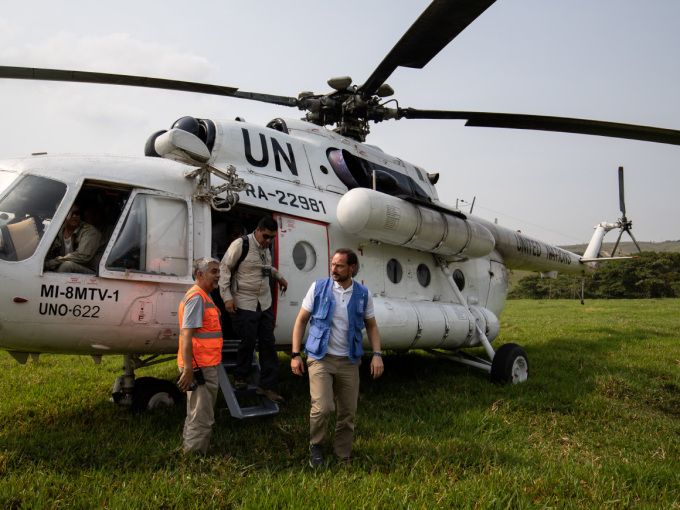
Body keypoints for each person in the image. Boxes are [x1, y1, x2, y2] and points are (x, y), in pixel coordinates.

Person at [291, 248, 384, 468]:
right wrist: (295, 354)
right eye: (332, 264)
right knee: (323, 407)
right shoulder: (319, 288)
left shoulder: (363, 294)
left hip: (349, 360)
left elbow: (372, 326)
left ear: (352, 268)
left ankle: (343, 454)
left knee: (347, 412)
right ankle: (316, 446)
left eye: (339, 265)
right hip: (320, 357)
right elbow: (301, 320)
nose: (334, 269)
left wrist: (377, 355)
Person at [219, 216, 288, 403]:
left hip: (264, 301)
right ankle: (240, 376)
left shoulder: (266, 249)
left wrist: (279, 276)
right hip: (244, 300)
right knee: (248, 340)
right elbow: (224, 269)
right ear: (258, 230)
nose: (268, 241)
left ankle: (267, 386)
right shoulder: (241, 245)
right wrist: (227, 298)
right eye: (265, 236)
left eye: (272, 238)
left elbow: (266, 268)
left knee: (268, 343)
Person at [177, 257, 223, 455]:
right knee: (201, 414)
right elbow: (187, 336)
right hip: (199, 366)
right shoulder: (197, 297)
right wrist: (189, 370)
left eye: (218, 271)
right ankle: (195, 456)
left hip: (204, 364)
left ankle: (191, 447)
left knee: (196, 410)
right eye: (213, 271)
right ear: (199, 275)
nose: (218, 275)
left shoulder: (204, 296)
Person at [45, 203, 102, 273]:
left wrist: (54, 262)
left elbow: (83, 256)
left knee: (67, 266)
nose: (75, 216)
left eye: (77, 213)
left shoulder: (90, 231)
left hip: (90, 271)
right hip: (64, 266)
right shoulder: (57, 231)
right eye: (71, 213)